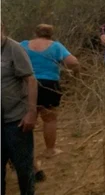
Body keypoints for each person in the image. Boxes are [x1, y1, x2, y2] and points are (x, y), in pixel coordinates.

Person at [20, 24, 80, 162]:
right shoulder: (56, 46)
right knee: (49, 119)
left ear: (35, 32)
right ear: (51, 34)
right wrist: (76, 74)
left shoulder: (23, 45)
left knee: (28, 118)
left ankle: (26, 153)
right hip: (49, 84)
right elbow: (73, 62)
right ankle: (50, 150)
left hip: (26, 84)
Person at [1, 22, 38, 195]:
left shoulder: (13, 48)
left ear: (2, 29)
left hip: (15, 120)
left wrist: (31, 112)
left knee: (24, 168)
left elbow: (30, 80)